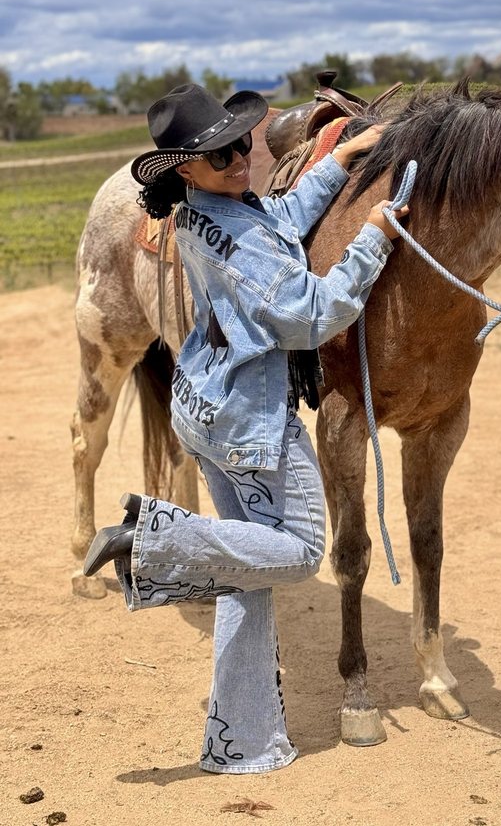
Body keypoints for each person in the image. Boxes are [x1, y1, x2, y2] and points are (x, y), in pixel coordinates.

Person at [83, 82, 407, 774]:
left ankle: (243, 743)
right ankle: (150, 542)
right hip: (247, 423)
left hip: (203, 407)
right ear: (184, 169)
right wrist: (373, 239)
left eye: (238, 144)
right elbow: (315, 312)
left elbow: (282, 215)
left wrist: (340, 157)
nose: (238, 157)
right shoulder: (233, 237)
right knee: (298, 552)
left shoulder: (210, 211)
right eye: (218, 153)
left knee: (245, 575)